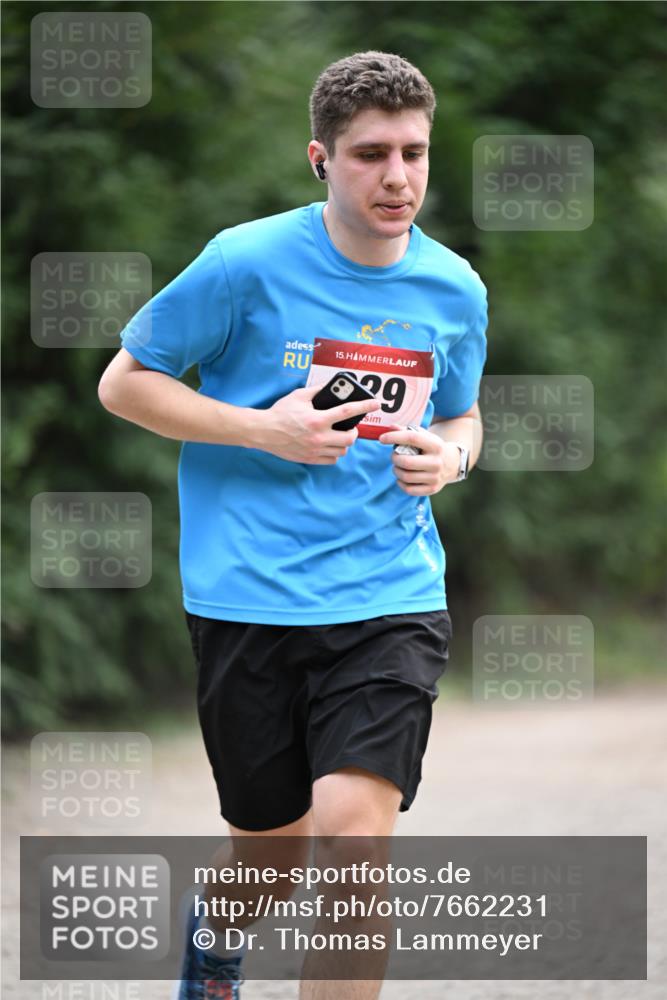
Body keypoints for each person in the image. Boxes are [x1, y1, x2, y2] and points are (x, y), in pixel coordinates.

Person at [98, 49, 487, 1000]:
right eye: (369, 155)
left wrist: (454, 455)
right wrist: (262, 429)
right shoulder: (243, 263)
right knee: (267, 859)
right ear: (321, 158)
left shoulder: (454, 291)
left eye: (413, 152)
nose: (397, 178)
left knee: (354, 845)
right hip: (249, 600)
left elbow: (460, 413)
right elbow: (123, 384)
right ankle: (217, 946)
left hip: (388, 596)